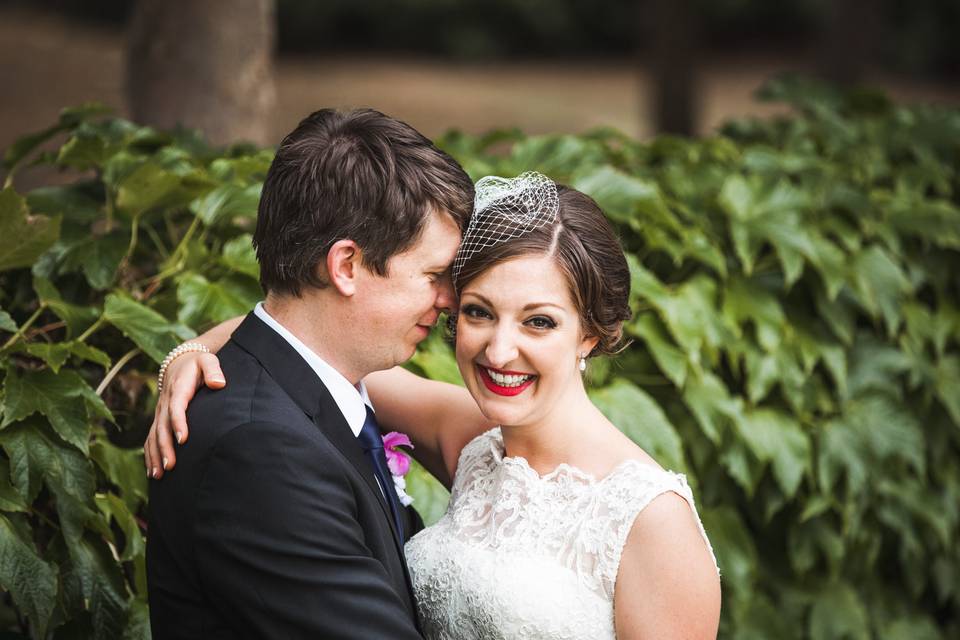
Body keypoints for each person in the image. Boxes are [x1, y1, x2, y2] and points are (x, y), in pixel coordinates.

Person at [147, 171, 722, 638]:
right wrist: (188, 356)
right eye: (478, 312)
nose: (500, 350)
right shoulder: (468, 437)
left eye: (539, 322)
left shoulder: (649, 519)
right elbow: (295, 340)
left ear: (591, 334)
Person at [144, 107, 474, 639]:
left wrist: (183, 352)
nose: (452, 301)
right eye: (434, 275)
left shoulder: (319, 390)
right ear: (345, 266)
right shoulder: (261, 451)